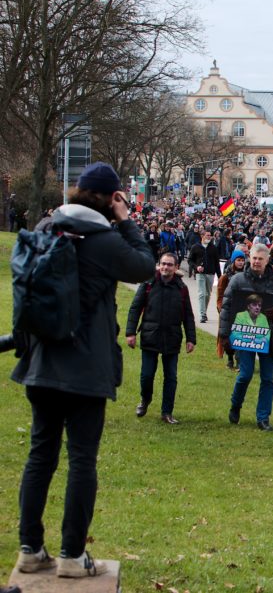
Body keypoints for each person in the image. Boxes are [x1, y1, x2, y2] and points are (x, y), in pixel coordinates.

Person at [13, 162, 155, 578]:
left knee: (40, 455)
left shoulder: (46, 227)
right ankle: (73, 555)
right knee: (81, 460)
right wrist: (127, 220)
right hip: (85, 368)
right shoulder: (105, 240)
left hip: (41, 361)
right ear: (112, 198)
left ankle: (30, 549)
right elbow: (144, 265)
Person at [219, 243, 273, 431]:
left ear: (267, 259)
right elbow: (226, 309)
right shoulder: (237, 280)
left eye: (261, 259)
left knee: (268, 378)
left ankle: (263, 418)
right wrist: (224, 335)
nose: (257, 262)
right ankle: (235, 405)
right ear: (249, 258)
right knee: (245, 374)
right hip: (244, 334)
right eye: (254, 258)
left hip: (268, 334)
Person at [125, 252, 197, 424]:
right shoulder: (149, 283)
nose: (166, 267)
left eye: (170, 264)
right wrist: (130, 333)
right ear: (159, 265)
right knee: (147, 375)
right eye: (163, 263)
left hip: (172, 337)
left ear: (176, 267)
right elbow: (135, 308)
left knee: (171, 377)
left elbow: (188, 315)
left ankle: (167, 412)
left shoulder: (181, 288)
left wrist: (191, 339)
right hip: (151, 335)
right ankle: (145, 399)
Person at [217, 249, 246, 370]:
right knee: (228, 337)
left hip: (242, 311)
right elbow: (220, 295)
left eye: (242, 260)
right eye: (238, 260)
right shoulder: (225, 277)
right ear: (233, 261)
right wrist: (221, 308)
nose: (241, 263)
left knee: (240, 336)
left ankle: (239, 360)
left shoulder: (246, 276)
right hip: (228, 310)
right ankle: (230, 358)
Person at [188, 230, 221, 323]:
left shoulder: (213, 248)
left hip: (210, 274)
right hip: (200, 274)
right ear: (202, 236)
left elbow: (217, 263)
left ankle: (204, 312)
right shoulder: (195, 247)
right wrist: (196, 267)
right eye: (207, 235)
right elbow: (190, 260)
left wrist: (220, 276)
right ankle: (202, 314)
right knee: (201, 294)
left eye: (210, 235)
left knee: (207, 294)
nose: (209, 237)